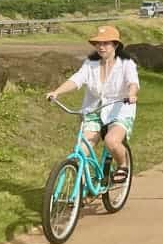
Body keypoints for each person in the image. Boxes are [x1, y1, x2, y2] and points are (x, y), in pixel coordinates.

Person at [45, 25, 139, 184]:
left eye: (106, 43)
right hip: (93, 111)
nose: (101, 47)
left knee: (111, 141)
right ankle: (80, 190)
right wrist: (57, 92)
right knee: (81, 151)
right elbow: (76, 80)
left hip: (119, 110)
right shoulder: (90, 64)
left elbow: (132, 82)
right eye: (98, 44)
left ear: (115, 45)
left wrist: (131, 94)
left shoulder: (126, 63)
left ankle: (123, 165)